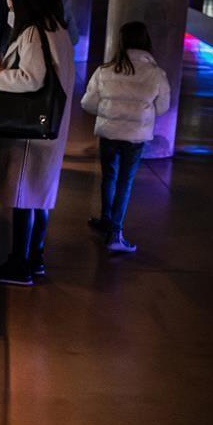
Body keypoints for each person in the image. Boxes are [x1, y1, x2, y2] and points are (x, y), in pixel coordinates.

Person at [0, 0, 76, 286]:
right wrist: (5, 62)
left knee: (24, 196)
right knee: (39, 195)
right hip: (49, 127)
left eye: (11, 5)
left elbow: (32, 79)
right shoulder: (55, 27)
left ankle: (19, 265)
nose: (9, 10)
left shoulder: (33, 31)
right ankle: (34, 259)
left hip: (30, 131)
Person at [81, 21, 170, 253]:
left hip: (109, 132)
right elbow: (162, 107)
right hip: (136, 135)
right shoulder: (156, 74)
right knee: (125, 181)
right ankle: (115, 232)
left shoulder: (105, 70)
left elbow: (88, 103)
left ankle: (105, 219)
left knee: (108, 176)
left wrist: (110, 110)